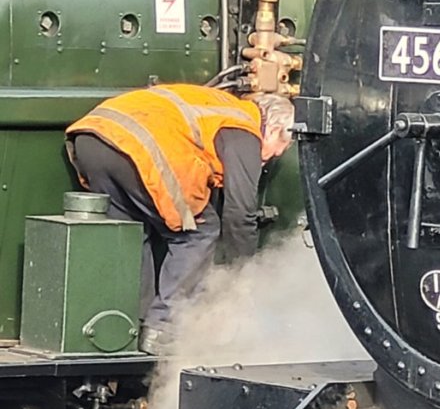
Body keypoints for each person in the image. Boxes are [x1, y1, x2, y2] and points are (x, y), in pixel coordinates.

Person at [65, 83, 295, 355]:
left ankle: (133, 324)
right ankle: (164, 327)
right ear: (274, 128)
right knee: (200, 230)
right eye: (282, 145)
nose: (276, 155)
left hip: (92, 138)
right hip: (138, 144)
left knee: (133, 234)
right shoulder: (245, 128)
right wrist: (242, 274)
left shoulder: (221, 107)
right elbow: (240, 213)